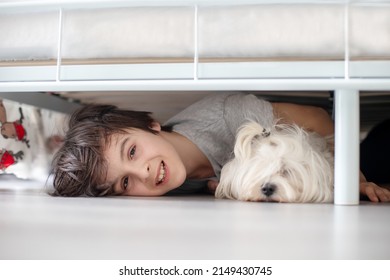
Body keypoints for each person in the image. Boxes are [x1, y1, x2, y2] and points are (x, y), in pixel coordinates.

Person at [51, 92, 390, 202]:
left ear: (151, 124)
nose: (144, 172)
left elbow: (318, 119)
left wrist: (354, 180)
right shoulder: (167, 183)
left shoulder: (230, 115)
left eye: (132, 151)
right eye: (125, 183)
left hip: (339, 150)